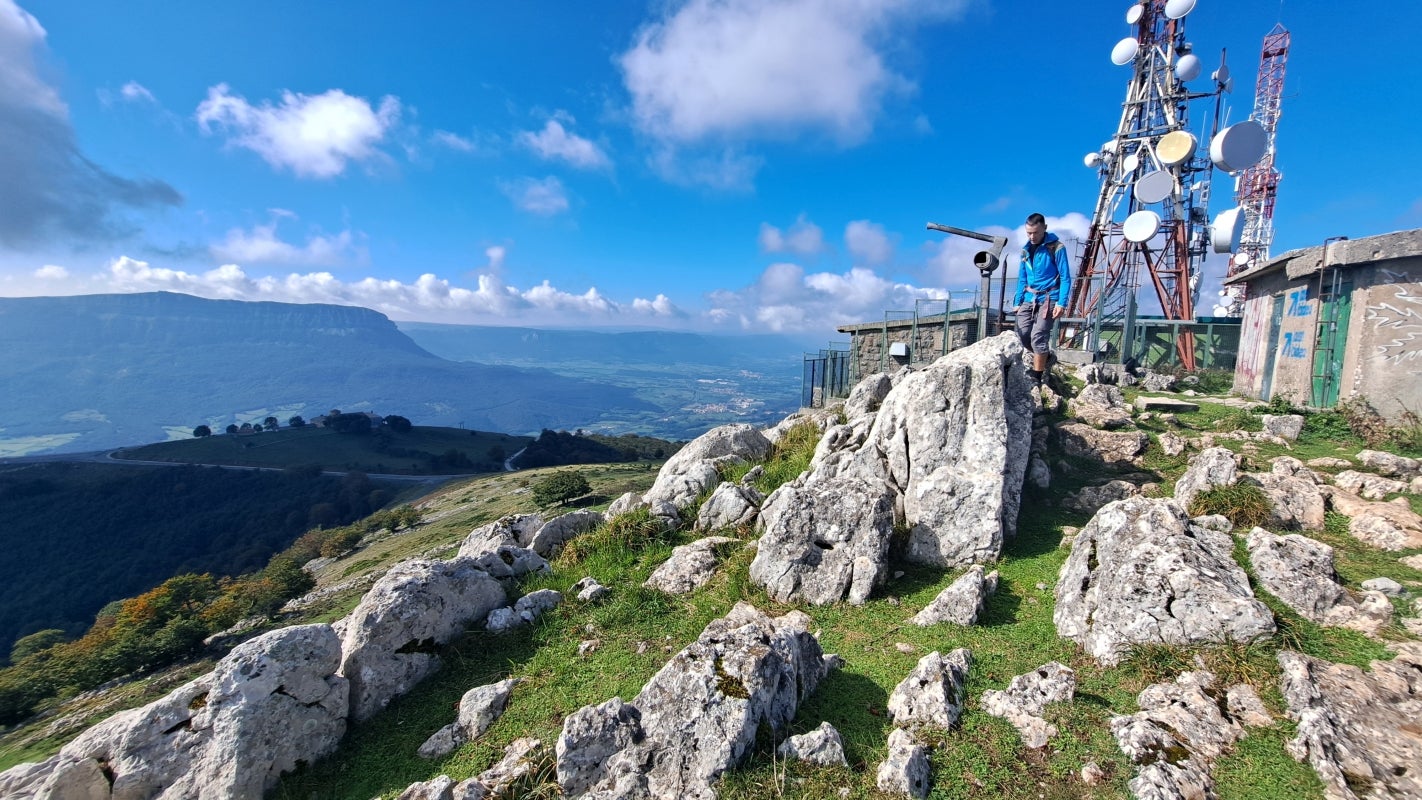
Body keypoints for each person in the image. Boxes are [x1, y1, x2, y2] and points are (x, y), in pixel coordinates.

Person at [1013, 213, 1071, 386]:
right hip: (1029, 297)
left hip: (1049, 298)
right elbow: (1022, 278)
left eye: (1035, 233)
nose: (1032, 237)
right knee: (1023, 334)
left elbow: (1066, 277)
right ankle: (1046, 355)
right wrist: (1017, 302)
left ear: (1044, 228)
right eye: (1028, 233)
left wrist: (1061, 303)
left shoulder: (1056, 248)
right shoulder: (1025, 251)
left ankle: (1037, 377)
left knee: (1038, 335)